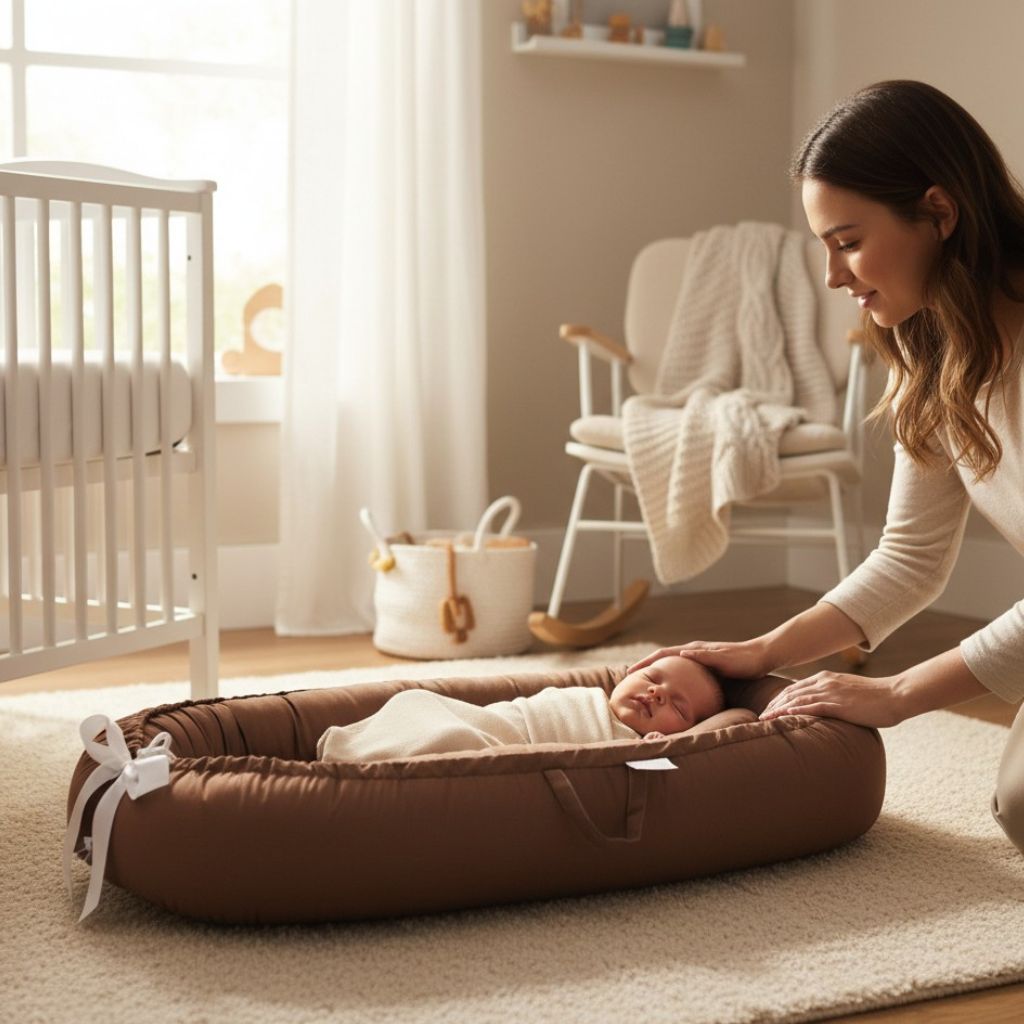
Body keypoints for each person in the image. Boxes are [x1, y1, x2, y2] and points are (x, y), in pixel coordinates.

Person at [628, 80, 1024, 854]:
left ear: (940, 214)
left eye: (847, 241)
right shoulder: (928, 349)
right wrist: (764, 652)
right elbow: (910, 558)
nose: (834, 277)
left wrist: (900, 692)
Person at [318, 655, 755, 762]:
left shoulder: (641, 753)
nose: (657, 694)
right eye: (652, 679)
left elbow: (742, 719)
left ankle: (363, 774)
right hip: (489, 722)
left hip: (493, 746)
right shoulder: (593, 693)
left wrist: (672, 743)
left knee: (459, 745)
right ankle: (356, 754)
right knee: (416, 701)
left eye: (677, 706)